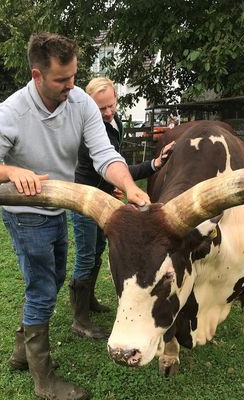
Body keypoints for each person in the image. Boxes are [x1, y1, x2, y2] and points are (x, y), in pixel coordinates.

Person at [0, 33, 150, 400]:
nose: (71, 86)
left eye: (73, 77)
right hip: (24, 213)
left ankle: (21, 354)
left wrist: (129, 186)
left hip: (59, 205)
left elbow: (104, 154)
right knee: (43, 289)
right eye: (61, 80)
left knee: (54, 278)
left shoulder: (80, 102)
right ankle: (44, 379)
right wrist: (10, 171)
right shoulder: (11, 113)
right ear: (37, 75)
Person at [69, 77, 175, 339]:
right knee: (85, 255)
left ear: (116, 98)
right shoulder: (90, 130)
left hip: (106, 199)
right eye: (100, 108)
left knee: (97, 251)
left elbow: (118, 165)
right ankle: (79, 320)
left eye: (111, 105)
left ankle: (89, 300)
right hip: (86, 200)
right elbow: (110, 169)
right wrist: (151, 166)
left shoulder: (116, 123)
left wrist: (153, 165)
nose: (107, 112)